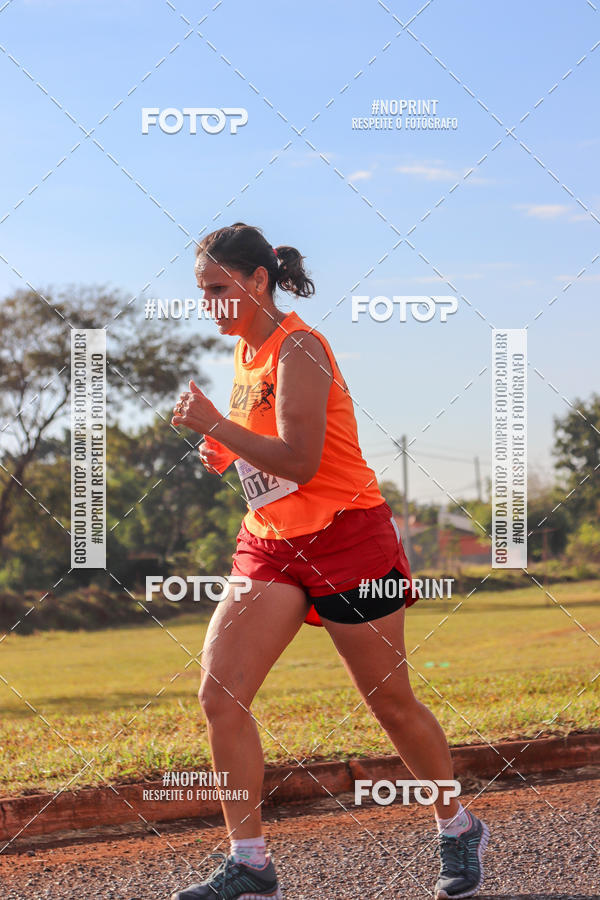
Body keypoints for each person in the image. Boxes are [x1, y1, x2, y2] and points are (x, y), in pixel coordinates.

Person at [169, 223, 490, 900]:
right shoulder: (246, 355)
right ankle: (250, 862)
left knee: (390, 701)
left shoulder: (301, 349)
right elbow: (265, 450)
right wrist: (225, 448)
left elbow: (302, 460)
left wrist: (214, 426)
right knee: (220, 695)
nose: (209, 304)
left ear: (258, 281)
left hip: (349, 539)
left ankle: (457, 825)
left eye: (218, 289)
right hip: (272, 544)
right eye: (201, 292)